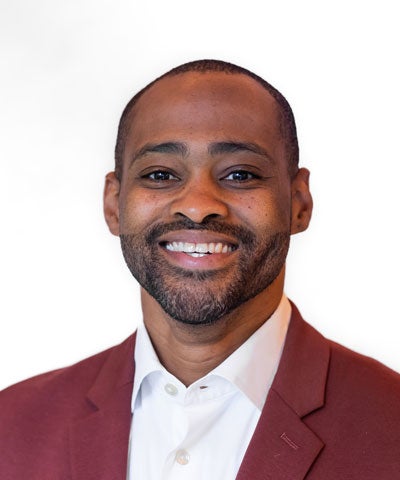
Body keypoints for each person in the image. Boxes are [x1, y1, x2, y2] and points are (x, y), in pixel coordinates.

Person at [0, 59, 399, 480]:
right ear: (113, 204)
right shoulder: (12, 427)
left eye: (240, 174)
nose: (197, 204)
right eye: (160, 174)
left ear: (298, 204)